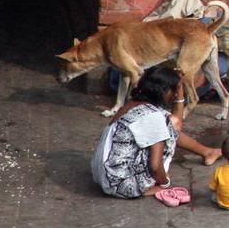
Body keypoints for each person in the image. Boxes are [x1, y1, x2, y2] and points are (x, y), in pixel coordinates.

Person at [91, 65, 221, 202]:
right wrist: (164, 183)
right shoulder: (153, 117)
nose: (175, 94)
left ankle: (207, 152)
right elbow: (155, 165)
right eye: (174, 91)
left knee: (167, 128)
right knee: (165, 132)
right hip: (119, 185)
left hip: (103, 176)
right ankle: (141, 187)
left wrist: (178, 88)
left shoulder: (131, 104)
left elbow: (175, 124)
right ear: (165, 91)